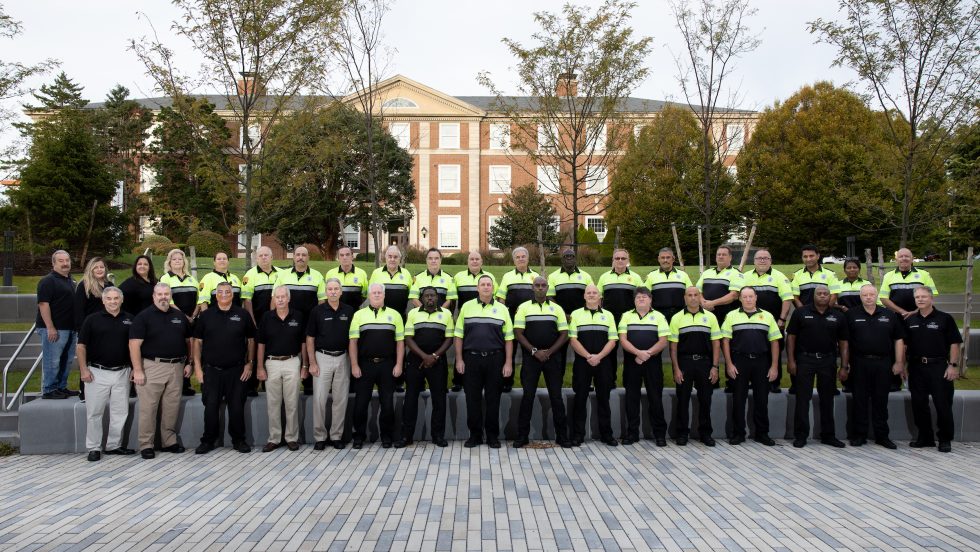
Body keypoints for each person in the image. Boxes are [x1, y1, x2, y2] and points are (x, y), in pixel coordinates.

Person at [128, 283, 192, 459]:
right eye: (159, 294)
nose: (163, 297)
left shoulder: (179, 316)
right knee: (149, 408)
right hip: (152, 367)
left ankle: (168, 441)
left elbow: (188, 341)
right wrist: (138, 370)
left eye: (166, 294)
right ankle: (146, 444)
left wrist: (189, 362)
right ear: (153, 296)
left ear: (170, 296)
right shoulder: (143, 317)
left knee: (171, 406)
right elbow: (134, 345)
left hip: (177, 366)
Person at [192, 282, 256, 455]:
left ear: (232, 294)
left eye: (228, 291)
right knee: (211, 406)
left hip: (237, 371)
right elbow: (197, 342)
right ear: (215, 295)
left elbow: (251, 340)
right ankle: (208, 441)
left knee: (236, 406)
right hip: (212, 370)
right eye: (220, 292)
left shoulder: (242, 315)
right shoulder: (206, 316)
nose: (224, 294)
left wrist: (250, 363)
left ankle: (239, 440)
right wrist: (197, 368)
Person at [842, 284, 905, 449]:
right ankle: (859, 435)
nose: (868, 297)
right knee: (859, 400)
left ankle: (882, 436)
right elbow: (845, 342)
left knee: (881, 400)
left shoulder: (889, 314)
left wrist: (899, 362)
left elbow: (898, 340)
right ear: (860, 297)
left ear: (876, 296)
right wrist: (845, 364)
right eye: (865, 295)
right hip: (859, 363)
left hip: (883, 363)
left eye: (871, 294)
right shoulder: (851, 315)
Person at [76, 286, 135, 461]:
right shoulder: (92, 320)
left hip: (122, 372)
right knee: (94, 412)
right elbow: (81, 347)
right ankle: (94, 447)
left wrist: (134, 368)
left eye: (116, 298)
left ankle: (113, 445)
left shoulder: (130, 320)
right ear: (103, 300)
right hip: (96, 372)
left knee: (120, 411)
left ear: (121, 300)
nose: (113, 301)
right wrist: (83, 369)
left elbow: (134, 346)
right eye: (109, 298)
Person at [455, 274, 514, 448]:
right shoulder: (467, 307)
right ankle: (475, 435)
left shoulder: (502, 309)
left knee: (493, 399)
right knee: (472, 398)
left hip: (495, 359)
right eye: (483, 284)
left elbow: (509, 338)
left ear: (493, 288)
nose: (486, 287)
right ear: (477, 288)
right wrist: (459, 359)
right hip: (471, 359)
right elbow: (458, 335)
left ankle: (492, 436)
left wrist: (508, 362)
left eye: (489, 284)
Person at [786, 284, 848, 448]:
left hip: (828, 361)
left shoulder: (837, 316)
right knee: (802, 399)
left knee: (827, 399)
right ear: (814, 296)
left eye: (825, 294)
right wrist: (791, 361)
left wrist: (844, 366)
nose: (822, 296)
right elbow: (791, 337)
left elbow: (843, 342)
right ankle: (801, 436)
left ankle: (828, 435)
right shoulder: (801, 312)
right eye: (819, 293)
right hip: (805, 360)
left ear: (830, 297)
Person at [512, 276, 570, 448]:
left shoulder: (557, 308)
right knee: (527, 397)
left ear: (547, 288)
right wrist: (535, 352)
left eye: (543, 285)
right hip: (531, 358)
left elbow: (564, 334)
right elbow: (518, 333)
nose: (540, 288)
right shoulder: (523, 308)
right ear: (532, 287)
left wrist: (549, 352)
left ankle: (562, 436)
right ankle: (522, 436)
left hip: (553, 358)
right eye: (537, 285)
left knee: (556, 397)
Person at [904, 287, 961, 453]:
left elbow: (954, 343)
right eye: (917, 297)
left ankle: (945, 439)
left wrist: (953, 365)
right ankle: (925, 437)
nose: (920, 299)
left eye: (924, 297)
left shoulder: (945, 318)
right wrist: (904, 365)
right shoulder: (911, 320)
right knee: (919, 404)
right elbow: (905, 345)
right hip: (916, 367)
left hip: (939, 367)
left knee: (943, 404)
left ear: (931, 299)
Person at [722, 287, 781, 445]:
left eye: (751, 296)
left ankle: (762, 433)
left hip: (761, 362)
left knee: (762, 399)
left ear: (756, 298)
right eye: (745, 297)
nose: (748, 299)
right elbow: (725, 341)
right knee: (738, 399)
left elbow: (775, 342)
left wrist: (774, 366)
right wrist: (728, 364)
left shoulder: (767, 316)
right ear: (740, 299)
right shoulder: (732, 315)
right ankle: (738, 433)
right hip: (739, 361)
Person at [348, 283, 405, 449]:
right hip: (365, 365)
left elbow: (400, 343)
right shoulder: (359, 315)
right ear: (369, 295)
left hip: (387, 365)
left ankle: (386, 436)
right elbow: (353, 342)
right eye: (374, 293)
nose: (377, 295)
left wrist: (399, 364)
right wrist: (354, 365)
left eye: (380, 292)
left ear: (384, 295)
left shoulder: (395, 315)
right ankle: (358, 436)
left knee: (387, 403)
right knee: (360, 403)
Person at [397, 286, 453, 448]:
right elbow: (408, 338)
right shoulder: (413, 314)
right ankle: (406, 436)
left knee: (439, 399)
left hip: (438, 361)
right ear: (421, 298)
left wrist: (434, 356)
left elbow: (449, 339)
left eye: (433, 296)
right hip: (416, 361)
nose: (430, 298)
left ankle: (438, 436)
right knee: (410, 399)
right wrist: (424, 357)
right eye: (427, 296)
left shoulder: (446, 314)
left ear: (437, 298)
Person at [256, 285, 307, 452]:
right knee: (273, 403)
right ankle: (274, 439)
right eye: (277, 297)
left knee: (292, 402)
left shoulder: (298, 316)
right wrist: (260, 367)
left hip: (292, 361)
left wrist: (305, 365)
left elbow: (304, 343)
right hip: (271, 363)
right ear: (273, 299)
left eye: (283, 296)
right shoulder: (266, 317)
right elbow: (261, 344)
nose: (280, 299)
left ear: (288, 298)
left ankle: (292, 438)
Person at [306, 278, 355, 450]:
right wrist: (312, 363)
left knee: (340, 399)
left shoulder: (349, 311)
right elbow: (310, 338)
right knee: (319, 399)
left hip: (343, 358)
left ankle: (336, 436)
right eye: (330, 289)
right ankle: (320, 437)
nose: (333, 292)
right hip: (322, 358)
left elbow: (352, 339)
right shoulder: (317, 311)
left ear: (341, 291)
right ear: (326, 292)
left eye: (336, 289)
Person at [668, 286, 721, 447]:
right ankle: (682, 433)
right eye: (689, 295)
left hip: (705, 363)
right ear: (684, 297)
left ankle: (705, 433)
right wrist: (676, 368)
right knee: (682, 400)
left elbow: (716, 343)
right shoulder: (677, 318)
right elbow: (673, 347)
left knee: (705, 400)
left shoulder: (710, 317)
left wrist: (715, 366)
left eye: (695, 295)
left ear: (700, 297)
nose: (692, 298)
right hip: (684, 363)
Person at [567, 284, 618, 447]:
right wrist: (589, 356)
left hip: (603, 362)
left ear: (600, 296)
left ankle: (607, 434)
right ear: (584, 296)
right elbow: (573, 340)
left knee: (604, 399)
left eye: (594, 293)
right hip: (583, 362)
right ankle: (578, 435)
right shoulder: (575, 314)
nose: (591, 295)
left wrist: (599, 357)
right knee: (580, 398)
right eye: (588, 293)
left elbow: (613, 340)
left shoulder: (609, 315)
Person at [881, 247, 939, 392]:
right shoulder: (888, 276)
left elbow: (933, 296)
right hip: (896, 318)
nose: (904, 259)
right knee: (894, 350)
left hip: (919, 318)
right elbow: (883, 298)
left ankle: (916, 383)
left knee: (917, 349)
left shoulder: (924, 274)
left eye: (907, 256)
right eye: (901, 256)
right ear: (896, 259)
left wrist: (915, 312)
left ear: (912, 259)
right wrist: (902, 312)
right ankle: (894, 382)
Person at [618, 287, 670, 446]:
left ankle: (659, 434)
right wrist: (638, 354)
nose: (641, 299)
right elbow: (623, 339)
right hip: (632, 362)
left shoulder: (659, 316)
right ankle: (631, 433)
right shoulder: (626, 316)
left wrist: (647, 354)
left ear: (650, 299)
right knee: (631, 398)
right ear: (634, 300)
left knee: (655, 398)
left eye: (644, 296)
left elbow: (663, 341)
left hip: (652, 363)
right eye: (638, 297)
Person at [740, 248, 792, 393]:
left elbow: (787, 299)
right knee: (754, 351)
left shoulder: (779, 276)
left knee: (773, 352)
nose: (762, 260)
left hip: (774, 322)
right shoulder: (745, 277)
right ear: (754, 261)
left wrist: (782, 319)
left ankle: (774, 383)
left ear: (771, 261)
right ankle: (754, 381)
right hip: (750, 322)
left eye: (766, 258)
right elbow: (738, 297)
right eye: (759, 258)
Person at [277, 246, 327, 395]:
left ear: (308, 258)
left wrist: (318, 320)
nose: (300, 257)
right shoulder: (283, 276)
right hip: (287, 321)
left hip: (309, 321)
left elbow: (322, 300)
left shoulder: (317, 276)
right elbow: (276, 298)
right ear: (293, 257)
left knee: (310, 350)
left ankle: (309, 384)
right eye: (297, 254)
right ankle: (281, 385)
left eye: (303, 255)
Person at [696, 245, 742, 390]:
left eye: (723, 254)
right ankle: (710, 382)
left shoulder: (736, 274)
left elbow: (734, 295)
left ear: (730, 257)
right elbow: (698, 290)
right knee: (708, 349)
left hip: (727, 317)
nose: (720, 257)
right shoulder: (707, 273)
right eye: (718, 254)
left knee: (731, 350)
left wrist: (712, 303)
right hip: (708, 318)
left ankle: (733, 383)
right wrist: (703, 302)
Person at [451, 251, 497, 392]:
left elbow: (495, 298)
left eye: (477, 259)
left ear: (482, 261)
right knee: (461, 349)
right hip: (465, 318)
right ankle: (458, 380)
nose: (475, 261)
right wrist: (453, 316)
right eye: (472, 259)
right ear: (468, 261)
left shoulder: (489, 277)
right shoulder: (458, 277)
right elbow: (453, 299)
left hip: (484, 319)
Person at [496, 246, 539, 392]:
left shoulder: (535, 276)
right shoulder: (507, 276)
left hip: (530, 323)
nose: (521, 259)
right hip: (511, 322)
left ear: (528, 258)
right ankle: (507, 382)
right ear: (514, 260)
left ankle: (527, 383)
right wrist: (504, 318)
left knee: (529, 353)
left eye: (523, 256)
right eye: (518, 257)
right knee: (510, 352)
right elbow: (501, 298)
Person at [37, 250, 78, 400]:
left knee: (66, 360)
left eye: (67, 260)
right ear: (53, 263)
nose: (65, 263)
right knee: (52, 360)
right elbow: (43, 304)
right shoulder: (47, 281)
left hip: (70, 328)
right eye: (61, 261)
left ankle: (61, 387)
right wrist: (50, 327)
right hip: (54, 328)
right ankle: (49, 389)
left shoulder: (70, 281)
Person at [159, 248, 200, 396]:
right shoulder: (165, 278)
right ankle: (178, 385)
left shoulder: (191, 278)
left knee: (191, 350)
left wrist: (193, 316)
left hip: (192, 319)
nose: (177, 261)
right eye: (174, 259)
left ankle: (187, 383)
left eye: (180, 259)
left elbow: (199, 300)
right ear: (169, 262)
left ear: (184, 261)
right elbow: (167, 301)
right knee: (179, 350)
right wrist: (183, 316)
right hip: (175, 320)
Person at [241, 245, 280, 396]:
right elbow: (247, 300)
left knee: (270, 353)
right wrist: (252, 321)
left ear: (271, 257)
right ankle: (252, 386)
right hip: (257, 320)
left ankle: (267, 384)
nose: (264, 258)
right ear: (256, 258)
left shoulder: (281, 274)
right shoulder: (249, 275)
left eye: (266, 255)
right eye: (261, 255)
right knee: (254, 353)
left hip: (276, 321)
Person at [74, 256, 111, 402]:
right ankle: (84, 392)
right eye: (96, 267)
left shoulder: (109, 285)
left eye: (101, 267)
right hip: (89, 330)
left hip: (107, 330)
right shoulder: (84, 285)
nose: (99, 270)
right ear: (91, 269)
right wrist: (81, 330)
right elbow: (78, 311)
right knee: (87, 362)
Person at [645, 247, 693, 324]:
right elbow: (645, 296)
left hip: (680, 315)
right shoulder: (651, 275)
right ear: (658, 259)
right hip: (658, 316)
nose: (665, 260)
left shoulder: (683, 275)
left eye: (668, 257)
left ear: (673, 259)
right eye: (662, 258)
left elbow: (691, 294)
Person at [596, 249, 644, 326]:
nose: (620, 260)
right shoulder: (604, 277)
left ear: (628, 260)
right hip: (608, 317)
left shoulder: (636, 277)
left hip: (630, 318)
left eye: (623, 258)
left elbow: (643, 297)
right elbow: (598, 297)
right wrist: (598, 314)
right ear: (613, 260)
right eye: (617, 258)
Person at [369, 245, 414, 316]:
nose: (392, 259)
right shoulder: (376, 273)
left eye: (395, 257)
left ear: (400, 258)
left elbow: (412, 296)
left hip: (401, 317)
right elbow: (370, 295)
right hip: (380, 317)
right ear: (385, 258)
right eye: (390, 256)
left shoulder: (406, 273)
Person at [547, 248, 594, 316]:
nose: (569, 258)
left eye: (571, 256)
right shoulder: (552, 276)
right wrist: (562, 314)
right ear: (562, 260)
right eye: (566, 256)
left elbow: (591, 296)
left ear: (575, 260)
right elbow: (549, 297)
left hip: (581, 316)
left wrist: (582, 313)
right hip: (560, 317)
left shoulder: (586, 276)